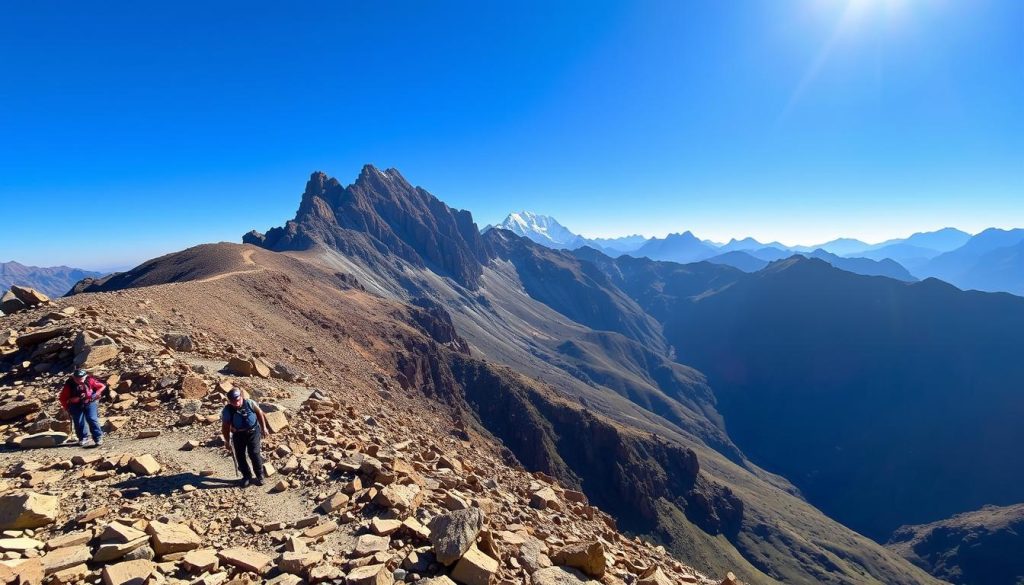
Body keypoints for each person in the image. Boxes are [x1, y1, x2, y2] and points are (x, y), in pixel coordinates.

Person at [221, 388, 271, 487]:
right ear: (230, 401)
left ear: (241, 397)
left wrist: (264, 427)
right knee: (240, 455)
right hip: (238, 434)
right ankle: (246, 476)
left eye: (238, 400)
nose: (237, 403)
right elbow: (225, 426)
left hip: (253, 432)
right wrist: (227, 441)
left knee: (254, 453)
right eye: (233, 402)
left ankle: (259, 475)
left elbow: (259, 413)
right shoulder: (227, 410)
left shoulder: (249, 403)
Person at [58, 368, 106, 447]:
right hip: (75, 405)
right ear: (74, 377)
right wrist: (67, 407)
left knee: (92, 418)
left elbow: (102, 386)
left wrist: (95, 394)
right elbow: (62, 398)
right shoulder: (69, 384)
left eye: (82, 378)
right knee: (79, 421)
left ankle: (98, 437)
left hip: (90, 402)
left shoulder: (89, 380)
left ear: (85, 376)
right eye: (77, 379)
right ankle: (83, 438)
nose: (80, 380)